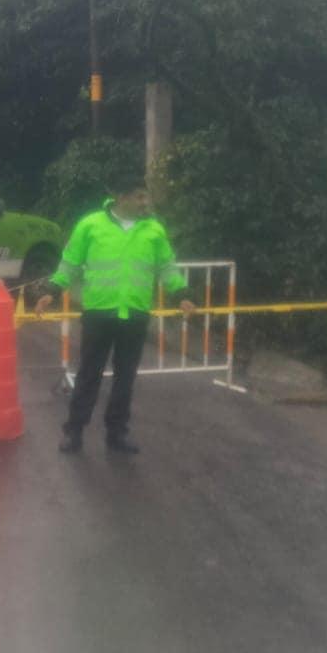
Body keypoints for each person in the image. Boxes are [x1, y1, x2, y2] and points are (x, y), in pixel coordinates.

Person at [36, 183, 195, 454]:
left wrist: (180, 292)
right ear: (121, 197)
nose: (145, 201)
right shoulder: (90, 225)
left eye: (146, 195)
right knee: (89, 374)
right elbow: (71, 262)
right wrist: (52, 290)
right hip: (99, 312)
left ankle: (117, 434)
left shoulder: (153, 230)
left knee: (126, 378)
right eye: (139, 196)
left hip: (135, 313)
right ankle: (74, 432)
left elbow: (166, 266)